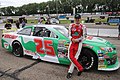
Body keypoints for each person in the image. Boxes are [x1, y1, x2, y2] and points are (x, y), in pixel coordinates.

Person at [66, 14, 87, 79]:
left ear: (80, 19)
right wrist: (72, 39)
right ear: (74, 19)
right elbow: (69, 35)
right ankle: (80, 68)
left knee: (75, 58)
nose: (77, 20)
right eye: (76, 18)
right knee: (70, 57)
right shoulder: (71, 26)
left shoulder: (83, 27)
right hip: (72, 43)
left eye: (78, 18)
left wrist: (77, 40)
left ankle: (70, 72)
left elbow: (84, 37)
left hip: (79, 44)